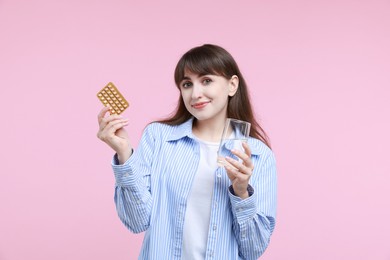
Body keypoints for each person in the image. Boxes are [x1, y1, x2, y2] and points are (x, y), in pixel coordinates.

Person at [97, 44, 277, 260]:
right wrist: (125, 153)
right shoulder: (159, 138)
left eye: (207, 81)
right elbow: (137, 222)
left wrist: (241, 192)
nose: (195, 93)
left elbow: (253, 249)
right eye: (187, 84)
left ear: (232, 85)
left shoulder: (258, 155)